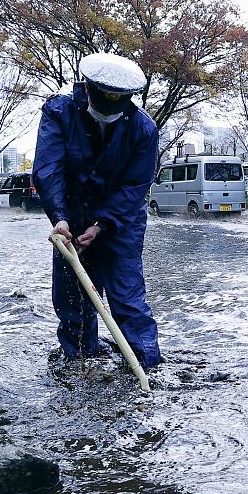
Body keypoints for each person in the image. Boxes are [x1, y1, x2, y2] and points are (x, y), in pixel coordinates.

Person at [32, 52, 161, 370]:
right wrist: (59, 218)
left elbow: (135, 186)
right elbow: (49, 169)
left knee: (127, 298)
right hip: (71, 220)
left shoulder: (144, 129)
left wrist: (103, 223)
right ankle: (80, 364)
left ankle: (145, 365)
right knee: (74, 299)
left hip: (122, 222)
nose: (108, 113)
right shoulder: (59, 112)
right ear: (87, 88)